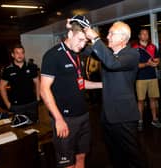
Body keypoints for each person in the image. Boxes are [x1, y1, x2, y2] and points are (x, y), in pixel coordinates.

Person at [40, 15, 102, 168]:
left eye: (85, 41)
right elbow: (44, 89)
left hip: (83, 115)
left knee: (81, 157)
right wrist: (59, 119)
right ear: (69, 34)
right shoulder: (52, 55)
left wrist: (103, 85)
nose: (82, 45)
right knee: (67, 163)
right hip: (65, 119)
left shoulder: (77, 54)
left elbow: (80, 83)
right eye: (80, 40)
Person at [84, 21, 148, 168]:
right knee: (114, 154)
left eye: (112, 33)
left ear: (123, 38)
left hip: (124, 116)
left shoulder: (132, 54)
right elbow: (85, 51)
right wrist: (79, 35)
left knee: (134, 156)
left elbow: (113, 64)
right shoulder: (109, 53)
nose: (108, 36)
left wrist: (95, 38)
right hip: (108, 115)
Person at [0, 44, 40, 123]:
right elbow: (2, 87)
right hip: (16, 106)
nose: (20, 55)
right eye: (17, 53)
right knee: (19, 129)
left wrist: (38, 97)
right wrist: (7, 103)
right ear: (13, 55)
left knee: (35, 127)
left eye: (22, 53)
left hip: (31, 103)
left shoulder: (31, 67)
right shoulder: (7, 70)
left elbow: (37, 82)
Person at [132, 28, 161, 130]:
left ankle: (154, 119)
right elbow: (135, 66)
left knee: (153, 99)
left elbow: (157, 60)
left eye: (147, 34)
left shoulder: (153, 47)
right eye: (143, 34)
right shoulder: (135, 48)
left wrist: (156, 63)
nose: (145, 36)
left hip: (152, 77)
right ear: (139, 36)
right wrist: (147, 64)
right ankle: (140, 121)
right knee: (140, 101)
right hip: (140, 78)